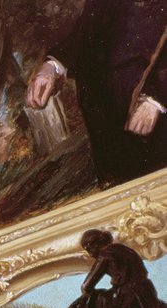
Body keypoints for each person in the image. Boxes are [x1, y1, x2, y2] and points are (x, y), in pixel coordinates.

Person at [25, 0, 167, 187]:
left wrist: (156, 98)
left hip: (150, 118)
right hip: (103, 123)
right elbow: (89, 28)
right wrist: (53, 66)